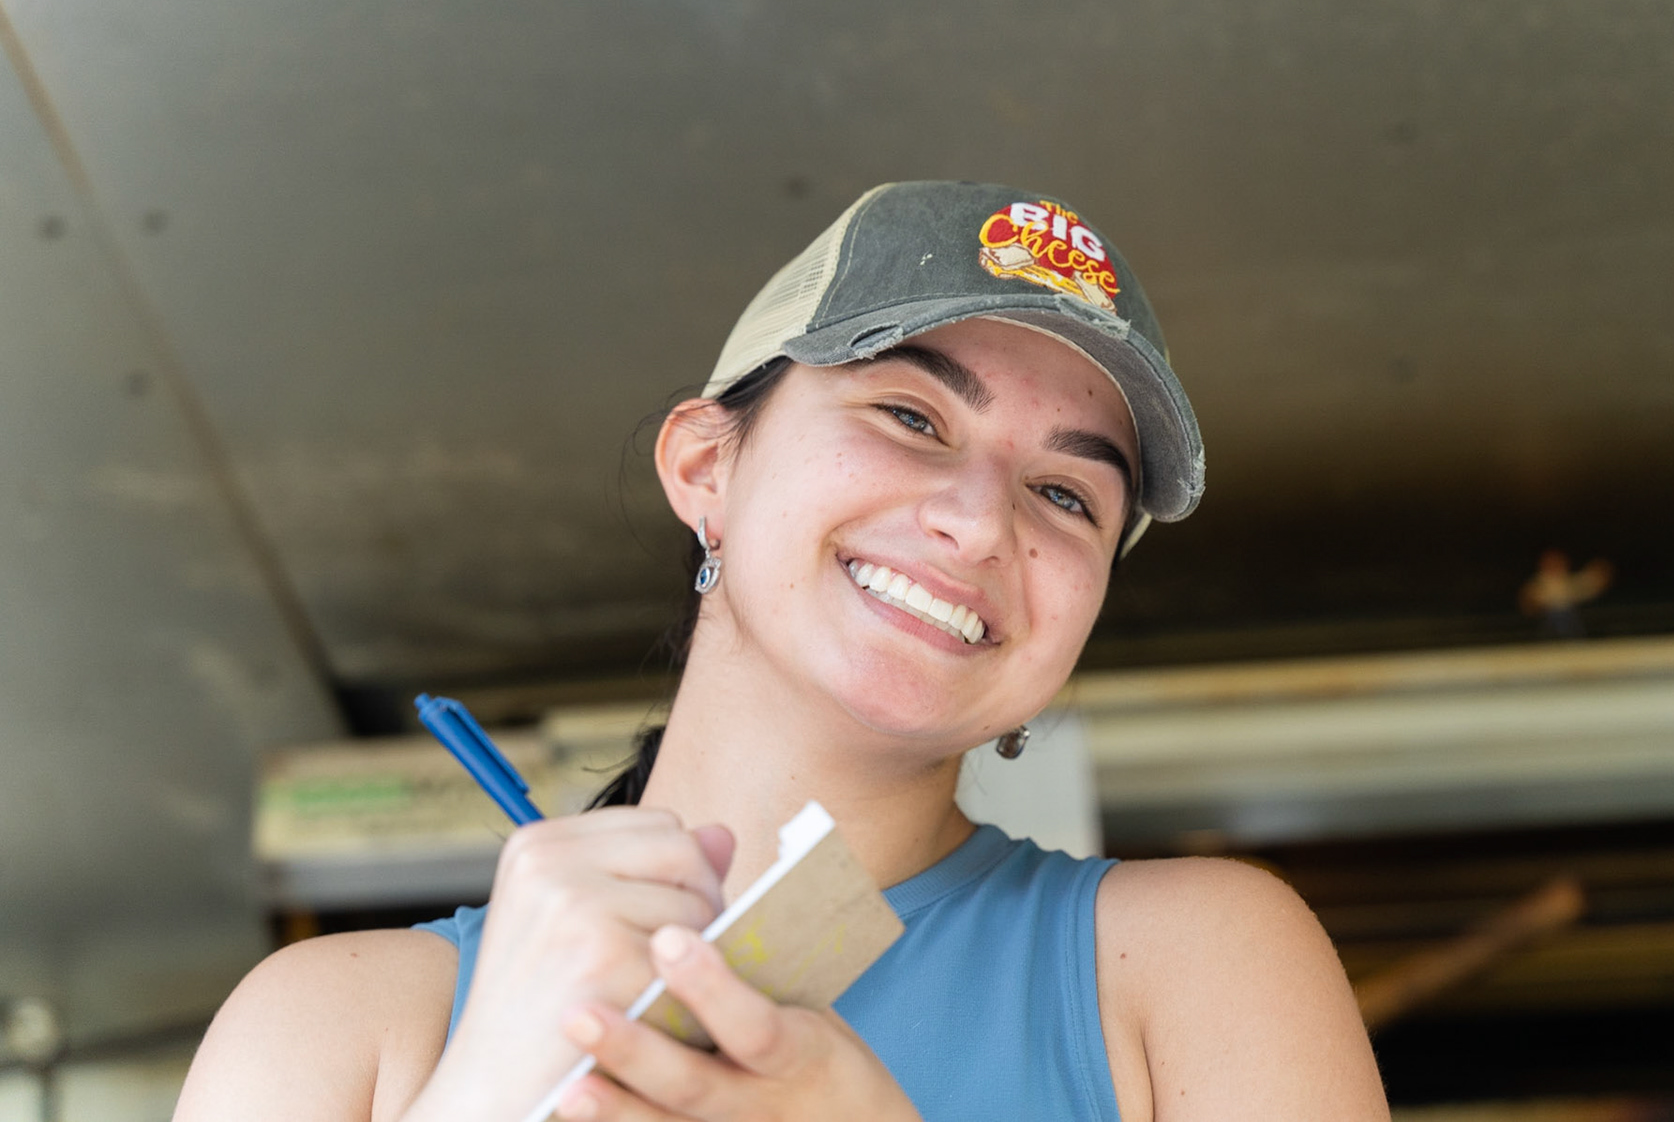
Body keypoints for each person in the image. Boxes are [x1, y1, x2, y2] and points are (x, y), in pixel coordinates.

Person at [175, 182, 1388, 1121]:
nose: (981, 520)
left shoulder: (1198, 963)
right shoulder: (335, 1026)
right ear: (707, 465)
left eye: (1068, 494)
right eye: (910, 415)